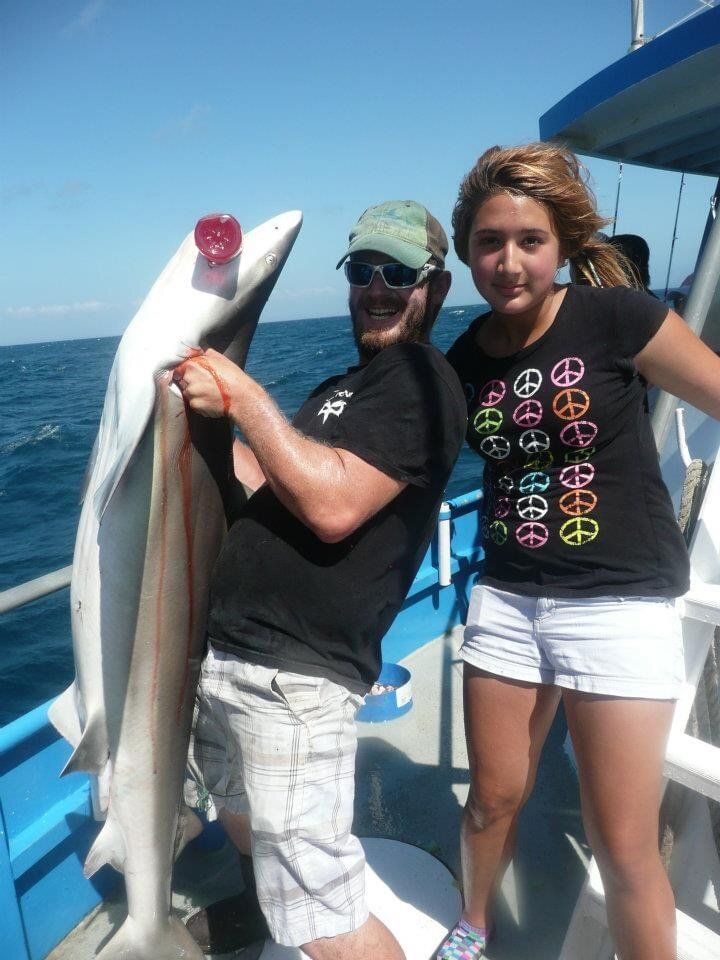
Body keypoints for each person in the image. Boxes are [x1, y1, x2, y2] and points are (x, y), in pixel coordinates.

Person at [437, 142, 720, 960]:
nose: (509, 261)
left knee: (621, 843)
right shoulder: (464, 359)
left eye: (530, 240)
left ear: (561, 244)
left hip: (619, 604)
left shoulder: (617, 317)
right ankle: (473, 927)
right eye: (490, 242)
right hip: (507, 599)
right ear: (465, 252)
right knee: (491, 799)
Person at [174, 200, 467, 960]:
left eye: (398, 273)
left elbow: (332, 505)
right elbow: (273, 483)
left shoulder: (423, 381)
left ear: (434, 287)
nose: (376, 288)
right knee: (240, 813)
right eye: (363, 270)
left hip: (295, 677)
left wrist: (242, 398)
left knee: (323, 912)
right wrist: (204, 423)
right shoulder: (344, 385)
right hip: (230, 653)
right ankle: (257, 909)